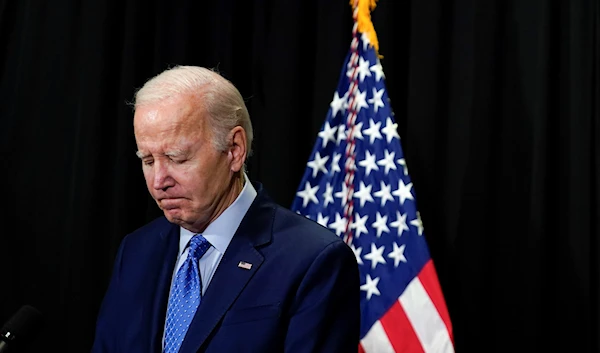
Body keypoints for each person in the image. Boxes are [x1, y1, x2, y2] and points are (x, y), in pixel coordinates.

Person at [91, 65, 360, 353]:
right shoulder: (136, 251)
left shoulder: (313, 261)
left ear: (234, 149)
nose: (159, 181)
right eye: (147, 160)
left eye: (176, 158)